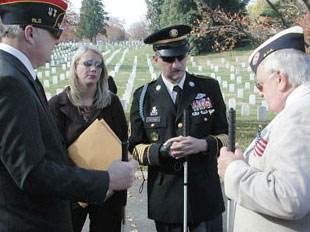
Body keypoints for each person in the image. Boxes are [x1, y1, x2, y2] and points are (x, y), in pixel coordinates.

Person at [0, 1, 138, 231]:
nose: (58, 40)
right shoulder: (10, 82)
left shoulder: (19, 75)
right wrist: (106, 179)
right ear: (30, 33)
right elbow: (31, 172)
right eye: (55, 32)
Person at [129, 24, 228, 232]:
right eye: (169, 59)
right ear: (156, 59)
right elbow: (135, 148)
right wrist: (162, 151)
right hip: (166, 200)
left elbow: (226, 137)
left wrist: (203, 144)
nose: (176, 64)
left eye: (181, 57)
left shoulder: (208, 88)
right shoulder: (143, 97)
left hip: (205, 196)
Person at [218, 26, 310, 232]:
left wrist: (234, 170)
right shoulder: (295, 111)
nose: (260, 93)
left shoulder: (300, 115)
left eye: (259, 84)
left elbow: (291, 198)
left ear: (280, 79)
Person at [48, 45, 127, 232]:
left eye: (98, 65)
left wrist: (110, 185)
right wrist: (83, 187)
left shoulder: (111, 102)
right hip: (70, 192)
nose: (94, 69)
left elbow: (122, 143)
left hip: (109, 190)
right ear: (75, 66)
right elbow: (55, 150)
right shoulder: (57, 105)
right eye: (88, 63)